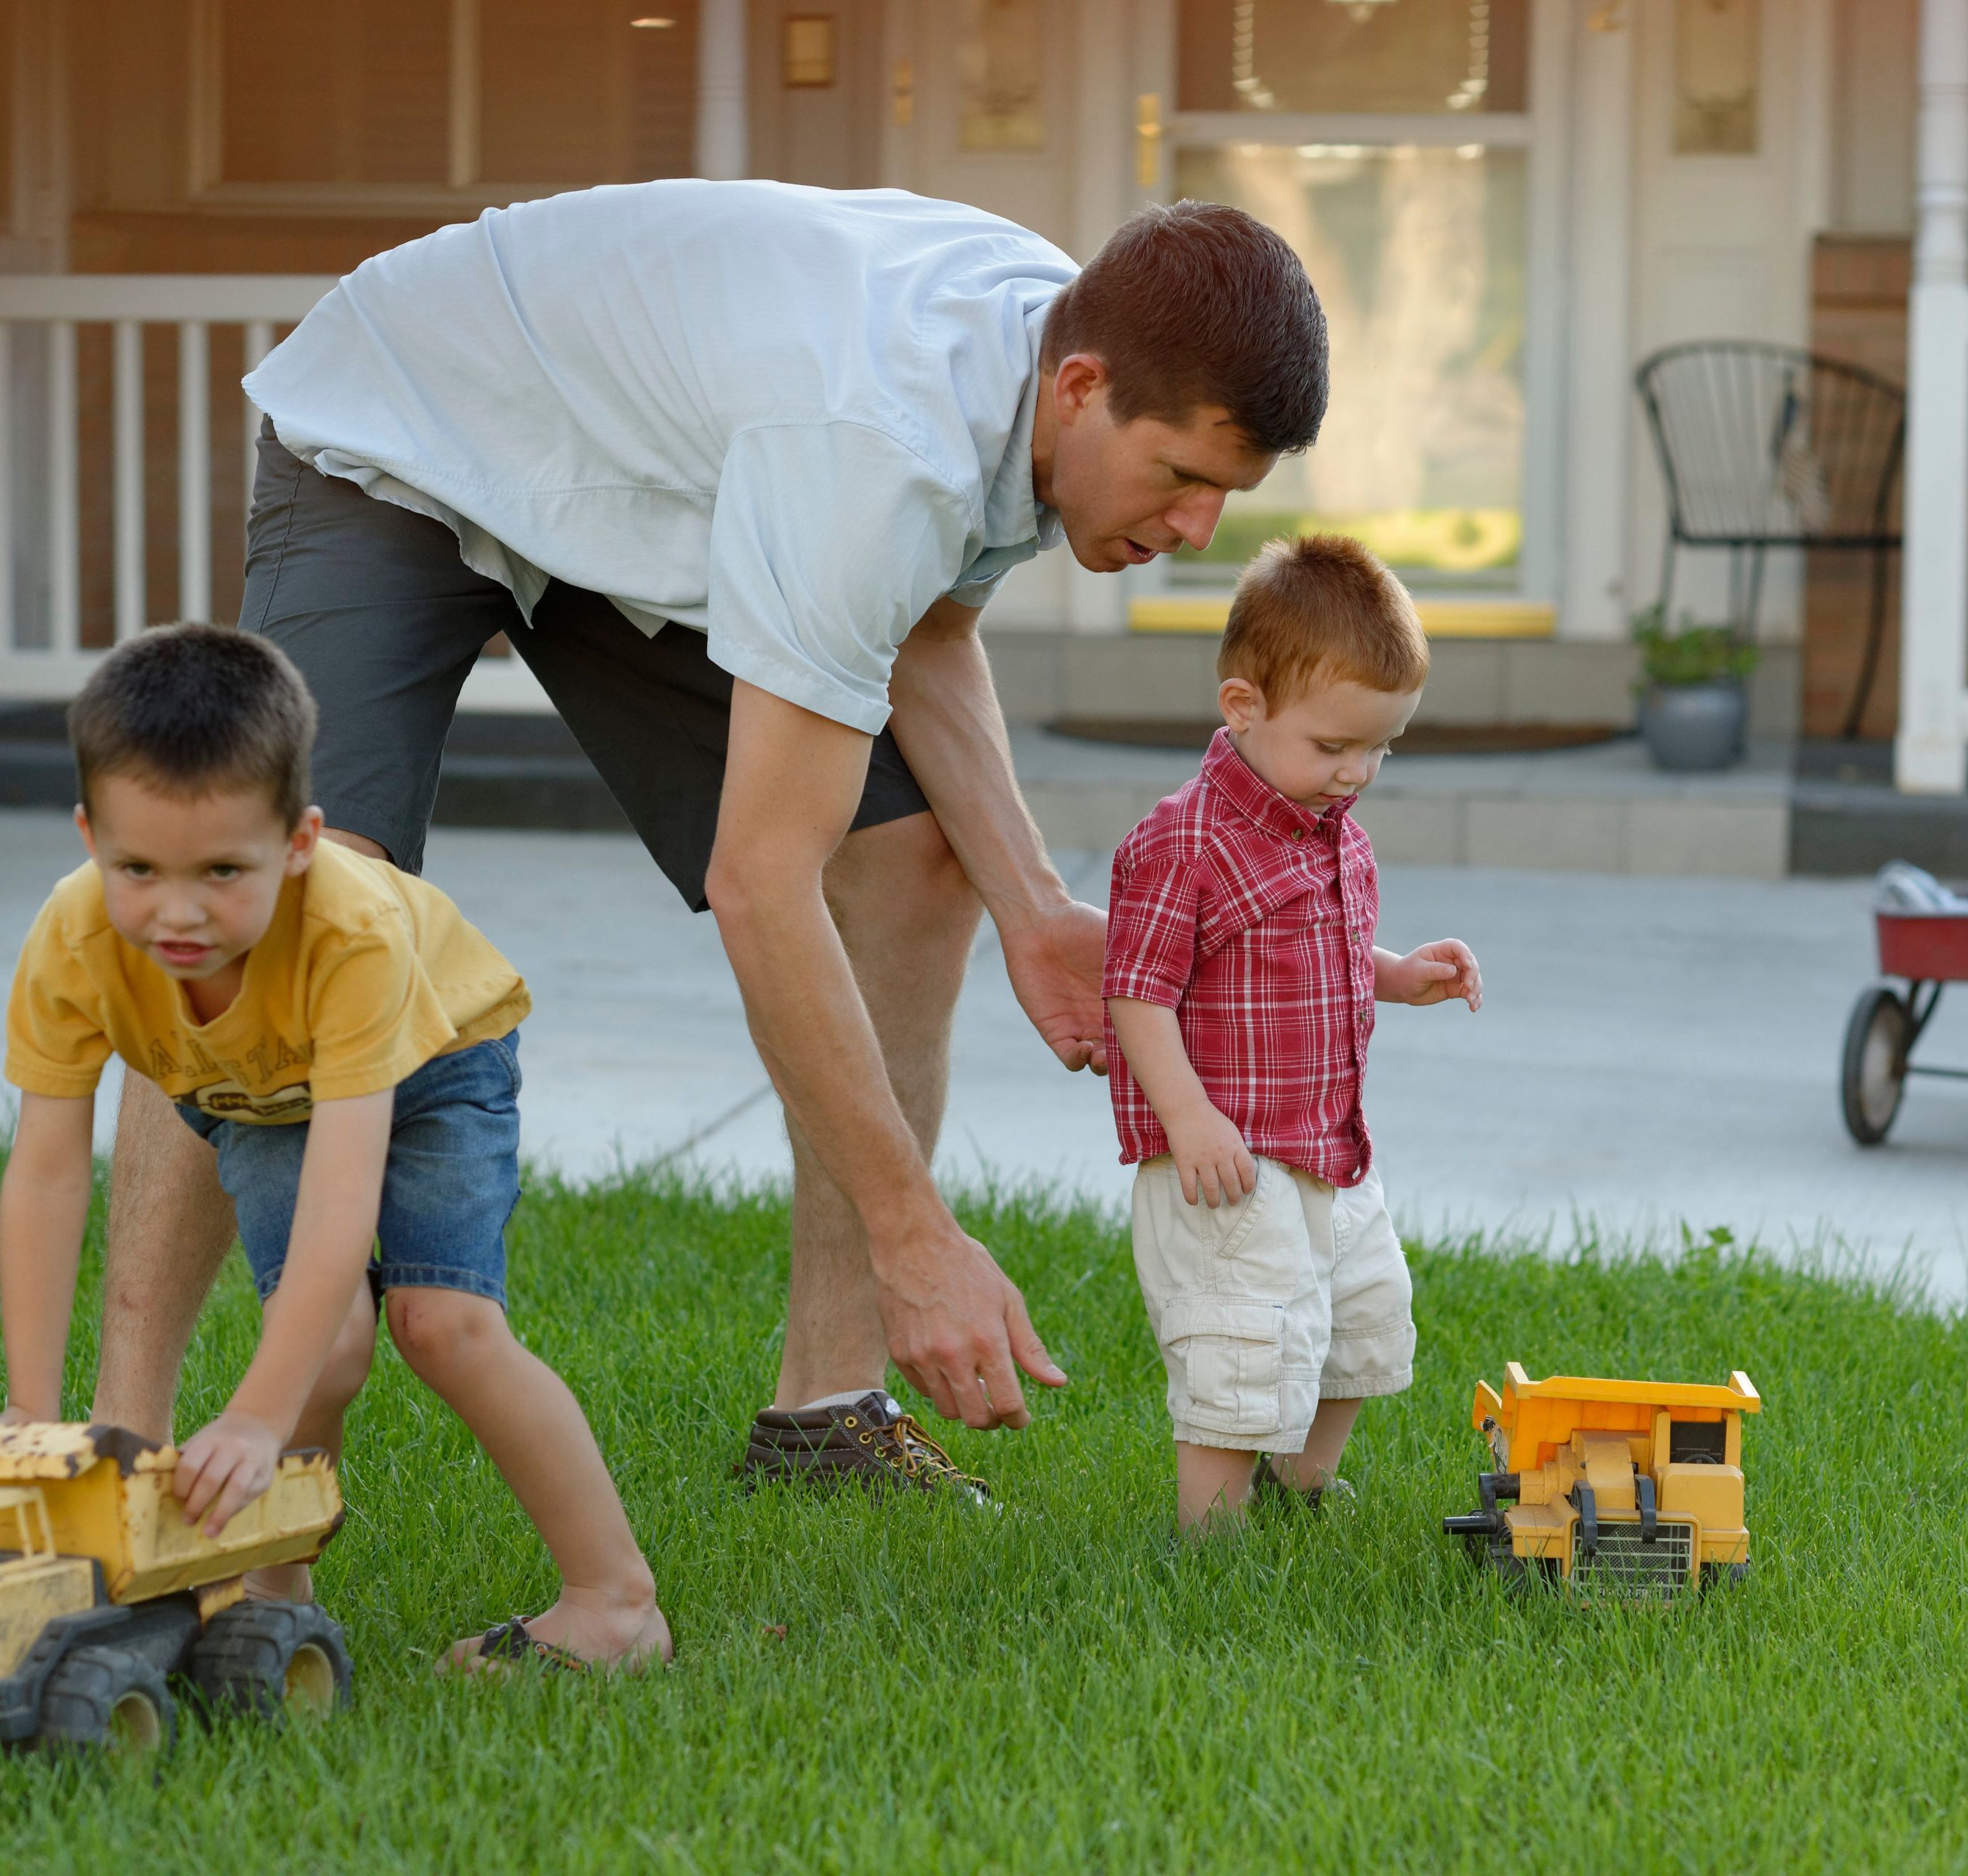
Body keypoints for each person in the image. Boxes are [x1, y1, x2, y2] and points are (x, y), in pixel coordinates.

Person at [87, 185, 1330, 1497]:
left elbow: (923, 630)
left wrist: (1032, 907)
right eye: (1182, 479)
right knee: (270, 906)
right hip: (415, 424)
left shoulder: (1039, 366)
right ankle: (121, 1443)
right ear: (1080, 388)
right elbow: (760, 882)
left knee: (913, 860)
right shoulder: (882, 441)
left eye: (1225, 495)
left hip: (641, 496)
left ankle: (826, 1415)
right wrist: (920, 1235)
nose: (1196, 530)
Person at [0, 626, 671, 1673]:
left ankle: (615, 1602)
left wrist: (259, 1420)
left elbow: (344, 1186)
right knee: (329, 1342)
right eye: (138, 868)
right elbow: (44, 1172)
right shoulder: (73, 938)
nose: (179, 912)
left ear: (301, 842)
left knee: (441, 1325)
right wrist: (31, 1411)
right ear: (90, 835)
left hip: (439, 1056)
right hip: (261, 1097)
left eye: (224, 870)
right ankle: (274, 1599)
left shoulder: (349, 932)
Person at [1101, 536, 1484, 1534]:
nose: (1357, 772)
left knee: (1361, 1315)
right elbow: (1136, 993)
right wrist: (1188, 1120)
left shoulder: (1329, 828)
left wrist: (1402, 977)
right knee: (1242, 1337)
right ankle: (1211, 1535)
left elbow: (1327, 955)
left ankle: (1303, 1482)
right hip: (1226, 1154)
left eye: (1380, 748)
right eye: (1334, 747)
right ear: (1245, 707)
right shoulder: (1184, 841)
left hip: (1328, 1145)